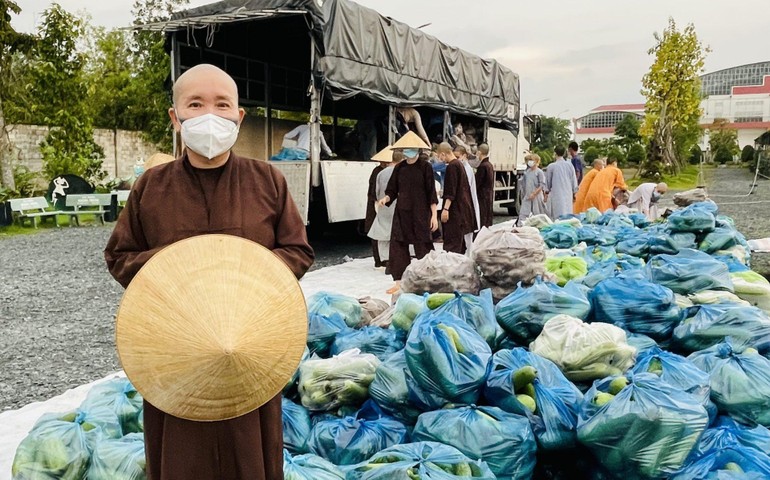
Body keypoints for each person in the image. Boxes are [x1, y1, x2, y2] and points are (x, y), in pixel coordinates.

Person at [104, 64, 314, 480]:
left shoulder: (267, 180)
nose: (209, 115)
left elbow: (298, 250)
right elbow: (120, 255)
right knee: (181, 456)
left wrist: (247, 271)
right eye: (195, 104)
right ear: (175, 118)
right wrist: (181, 266)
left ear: (239, 117)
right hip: (174, 352)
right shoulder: (151, 186)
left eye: (222, 105)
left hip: (249, 345)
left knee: (250, 454)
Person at [378, 132, 439, 294]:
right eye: (406, 149)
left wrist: (434, 216)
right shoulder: (400, 167)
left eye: (410, 149)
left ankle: (428, 278)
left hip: (420, 213)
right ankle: (399, 282)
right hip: (402, 213)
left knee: (423, 246)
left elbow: (431, 193)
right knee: (397, 247)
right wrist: (386, 198)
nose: (408, 152)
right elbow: (392, 189)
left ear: (418, 150)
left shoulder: (426, 167)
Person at [367, 149, 404, 270]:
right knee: (397, 234)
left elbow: (376, 192)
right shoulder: (402, 172)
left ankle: (384, 260)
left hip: (383, 206)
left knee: (382, 234)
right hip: (398, 206)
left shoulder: (380, 173)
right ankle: (396, 260)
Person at [437, 142, 475, 254]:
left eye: (440, 156)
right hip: (462, 210)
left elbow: (451, 191)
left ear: (443, 154)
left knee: (452, 242)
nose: (440, 159)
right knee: (459, 243)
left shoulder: (452, 167)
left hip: (455, 211)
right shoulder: (459, 165)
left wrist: (445, 209)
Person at [455, 145, 481, 253]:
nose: (457, 159)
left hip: (467, 202)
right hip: (464, 202)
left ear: (464, 156)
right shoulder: (459, 167)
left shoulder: (467, 169)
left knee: (468, 234)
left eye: (458, 157)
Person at [366, 154, 388, 268]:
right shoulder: (379, 172)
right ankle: (380, 259)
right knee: (378, 233)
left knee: (378, 232)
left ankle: (380, 259)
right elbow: (375, 190)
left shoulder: (378, 171)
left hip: (378, 203)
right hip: (377, 204)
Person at [545, 145, 579, 220]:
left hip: (556, 193)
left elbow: (548, 182)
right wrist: (574, 193)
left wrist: (546, 193)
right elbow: (573, 180)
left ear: (555, 153)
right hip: (568, 193)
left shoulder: (551, 166)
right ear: (564, 153)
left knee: (557, 215)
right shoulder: (569, 165)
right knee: (568, 214)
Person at [517, 153, 548, 225]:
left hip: (536, 197)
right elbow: (523, 183)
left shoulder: (539, 172)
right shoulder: (527, 172)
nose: (530, 162)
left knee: (537, 213)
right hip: (527, 196)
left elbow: (542, 184)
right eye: (530, 160)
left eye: (532, 160)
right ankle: (521, 225)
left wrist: (534, 193)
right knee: (523, 213)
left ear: (537, 162)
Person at [474, 143, 495, 229]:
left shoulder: (482, 166)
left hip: (482, 196)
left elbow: (477, 182)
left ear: (480, 152)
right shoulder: (489, 165)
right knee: (487, 217)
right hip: (488, 195)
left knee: (482, 217)